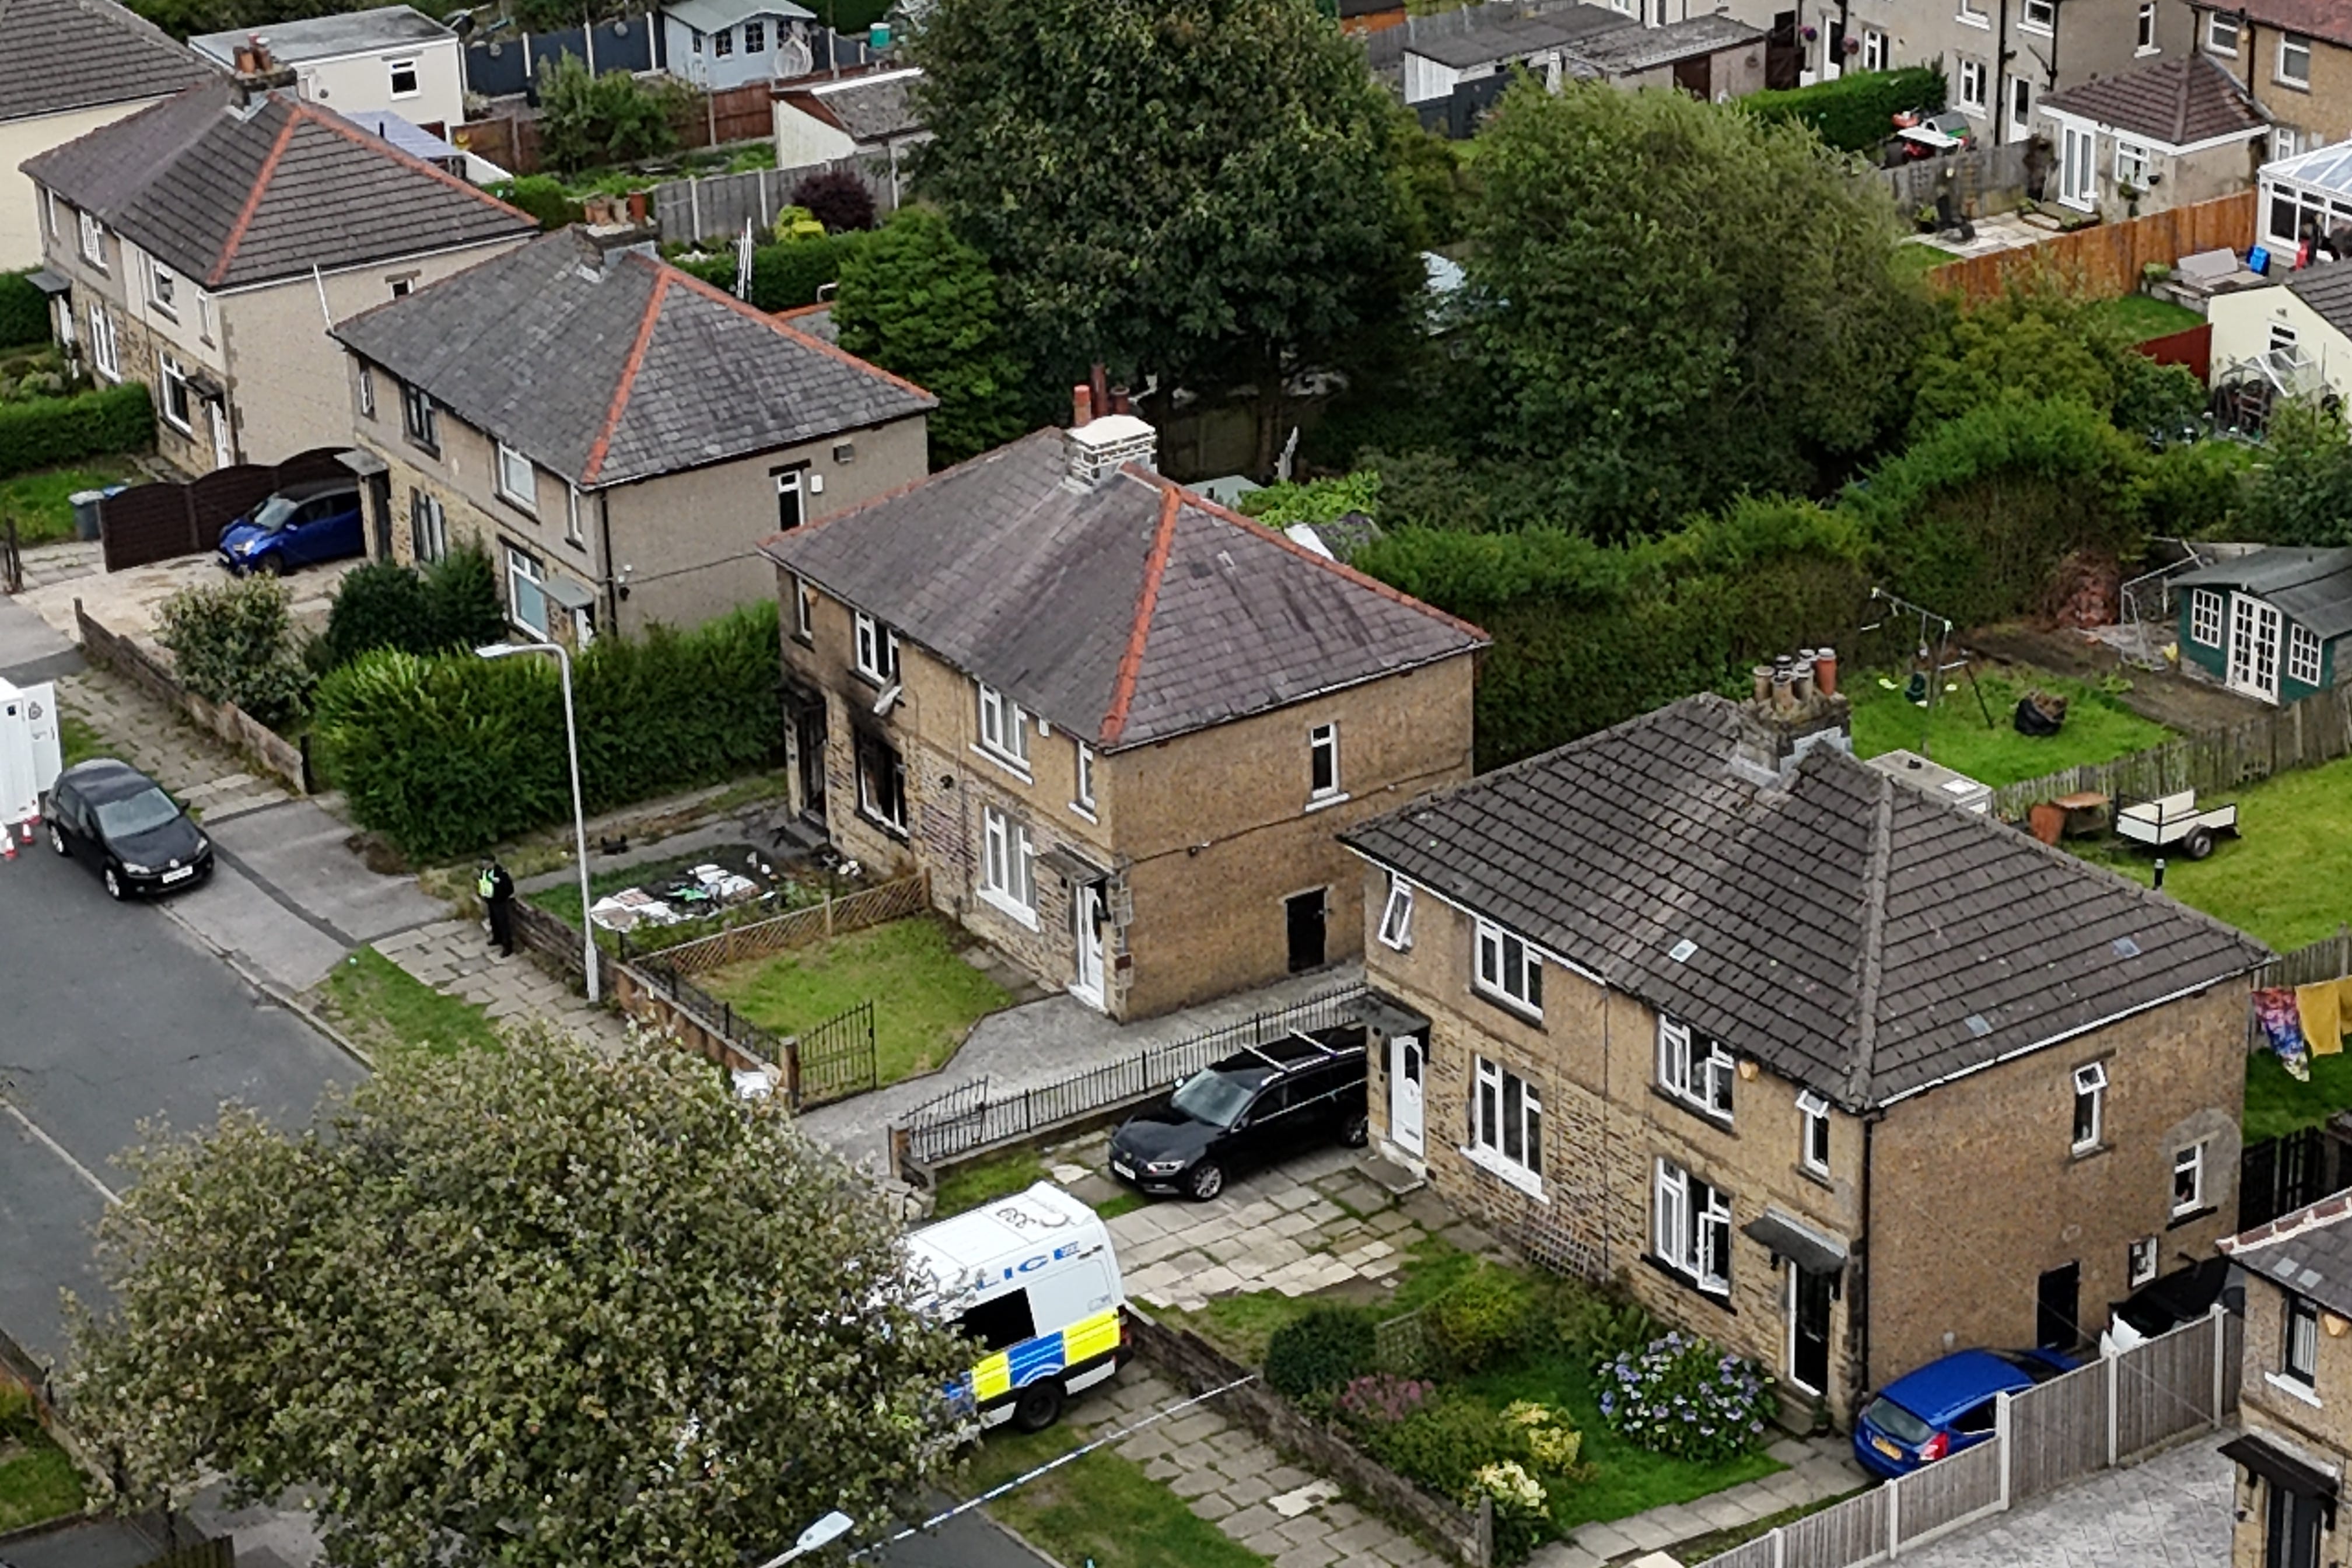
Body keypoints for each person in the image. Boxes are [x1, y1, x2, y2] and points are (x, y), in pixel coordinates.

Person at [478, 860, 515, 957]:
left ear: (492, 863)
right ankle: (497, 938)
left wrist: (502, 896)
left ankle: (508, 946)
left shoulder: (501, 873)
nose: (485, 866)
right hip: (490, 900)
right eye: (484, 864)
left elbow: (509, 888)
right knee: (494, 921)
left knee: (503, 923)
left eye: (487, 864)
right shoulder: (484, 873)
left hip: (500, 902)